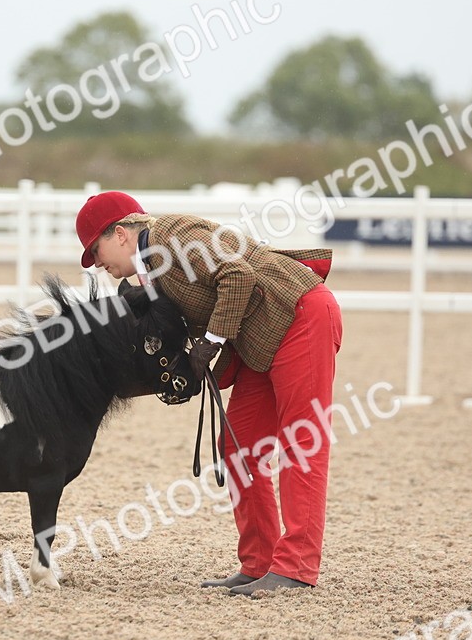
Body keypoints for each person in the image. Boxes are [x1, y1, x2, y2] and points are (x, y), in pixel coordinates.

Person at [75, 191, 342, 596]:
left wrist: (212, 341)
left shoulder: (171, 234)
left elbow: (238, 277)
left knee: (300, 442)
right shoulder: (152, 266)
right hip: (265, 338)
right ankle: (260, 563)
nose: (99, 265)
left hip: (300, 317)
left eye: (97, 249)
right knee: (237, 446)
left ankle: (297, 568)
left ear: (122, 234)